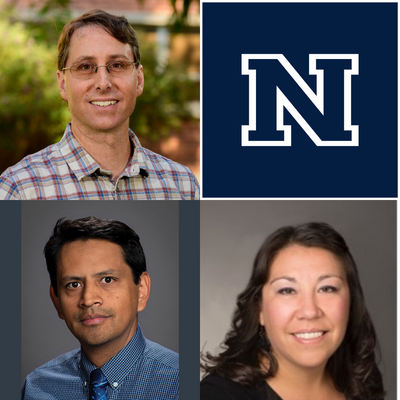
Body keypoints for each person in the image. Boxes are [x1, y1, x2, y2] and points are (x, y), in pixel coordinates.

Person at [0, 9, 199, 200]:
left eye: (117, 65)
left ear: (139, 80)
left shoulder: (183, 186)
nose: (103, 83)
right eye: (85, 67)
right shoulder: (18, 189)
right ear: (62, 84)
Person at [200, 222, 385, 400]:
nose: (310, 311)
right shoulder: (219, 395)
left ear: (351, 300)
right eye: (287, 290)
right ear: (260, 310)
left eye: (327, 288)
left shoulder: (363, 383)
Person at [22, 216, 179, 399]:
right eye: (73, 284)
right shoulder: (36, 388)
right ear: (56, 300)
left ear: (141, 290)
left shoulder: (179, 383)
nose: (88, 299)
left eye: (107, 280)